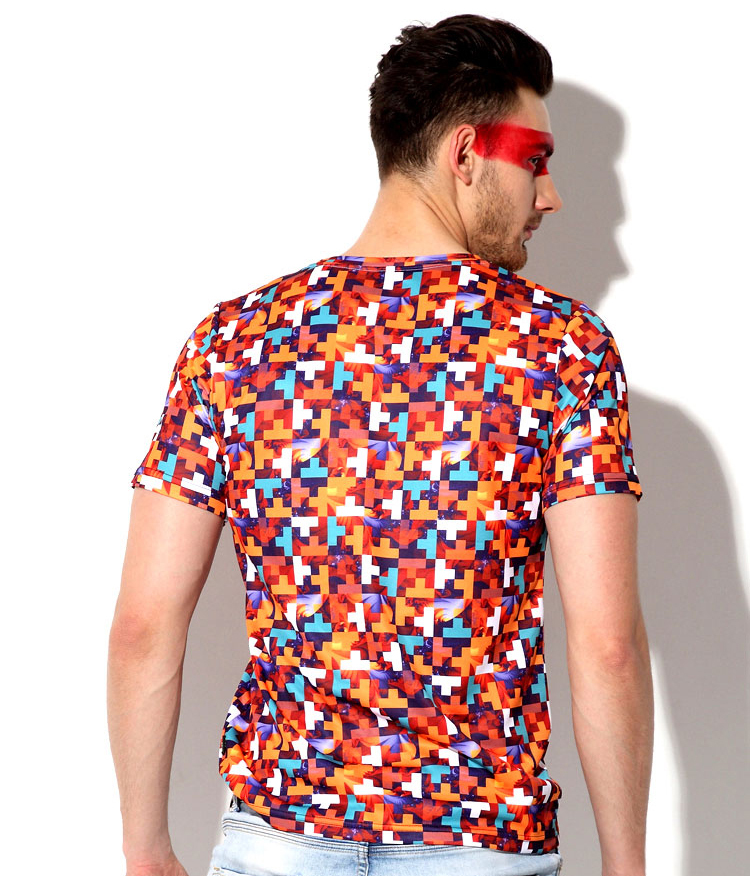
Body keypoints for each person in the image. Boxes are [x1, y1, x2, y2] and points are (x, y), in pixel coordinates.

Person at [108, 13, 653, 876]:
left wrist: (144, 851)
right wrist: (627, 866)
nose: (549, 197)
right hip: (477, 839)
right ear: (467, 153)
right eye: (537, 161)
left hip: (280, 839)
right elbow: (608, 645)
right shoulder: (560, 350)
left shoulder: (234, 342)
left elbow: (143, 625)